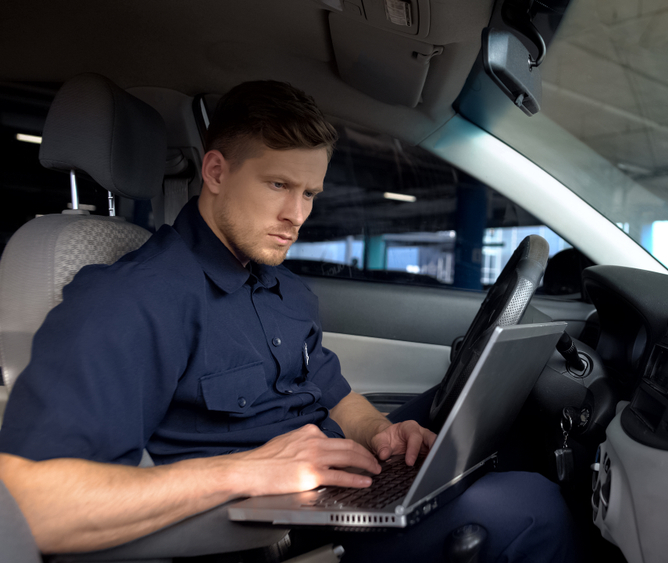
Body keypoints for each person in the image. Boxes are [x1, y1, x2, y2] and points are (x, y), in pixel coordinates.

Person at [0, 81, 574, 561]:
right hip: (273, 538)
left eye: (310, 194)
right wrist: (246, 471)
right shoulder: (130, 301)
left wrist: (378, 432)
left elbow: (332, 392)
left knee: (508, 428)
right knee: (529, 504)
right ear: (217, 171)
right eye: (278, 185)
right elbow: (30, 505)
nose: (296, 215)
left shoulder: (285, 289)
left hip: (337, 492)